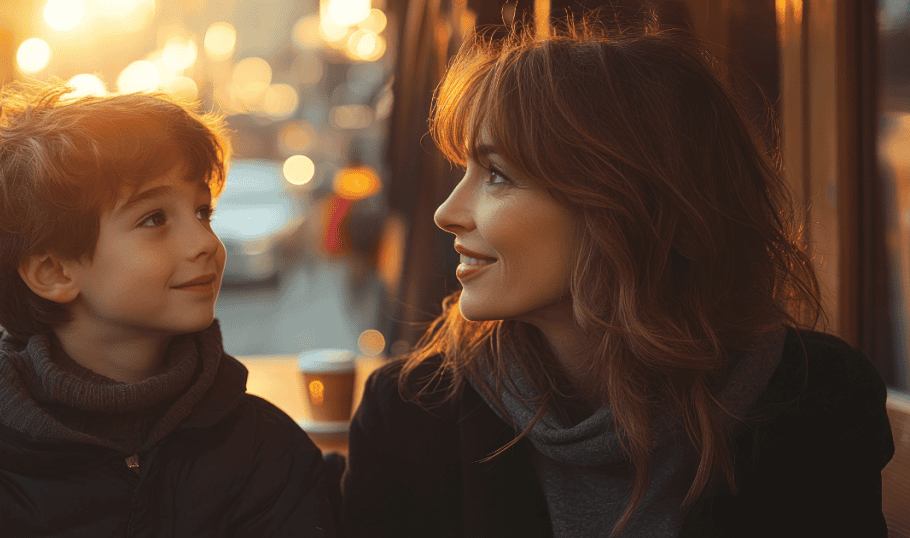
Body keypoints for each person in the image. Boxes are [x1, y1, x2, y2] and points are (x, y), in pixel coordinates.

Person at [340, 18, 894, 538]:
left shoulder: (816, 402)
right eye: (466, 171)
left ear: (631, 204)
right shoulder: (410, 419)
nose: (446, 212)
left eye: (498, 176)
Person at [0, 82, 336, 537]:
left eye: (203, 211)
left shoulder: (263, 449)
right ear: (52, 272)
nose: (206, 243)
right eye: (154, 219)